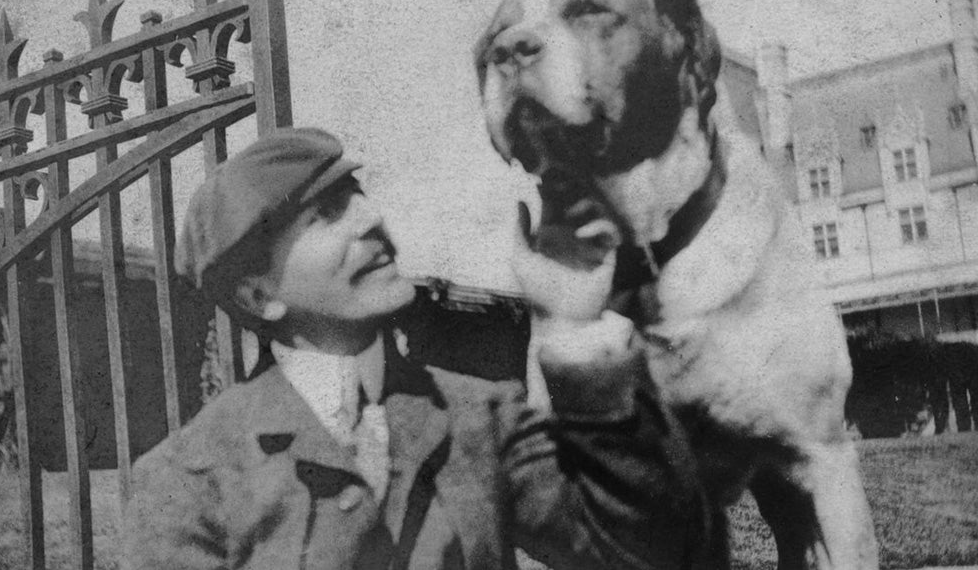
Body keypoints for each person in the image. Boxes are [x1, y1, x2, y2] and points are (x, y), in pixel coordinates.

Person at [124, 127, 710, 569]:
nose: (371, 218)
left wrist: (579, 335)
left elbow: (641, 552)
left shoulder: (482, 417)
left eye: (358, 195)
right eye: (328, 214)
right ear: (260, 295)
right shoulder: (186, 479)